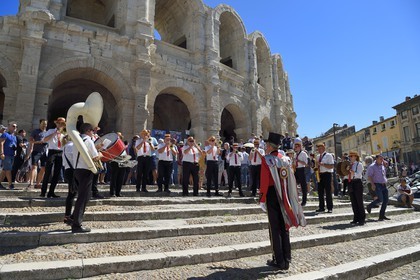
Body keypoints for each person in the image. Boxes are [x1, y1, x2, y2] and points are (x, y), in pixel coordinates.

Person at [259, 132, 292, 270]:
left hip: (272, 194)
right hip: (284, 194)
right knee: (284, 226)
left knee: (274, 227)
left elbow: (265, 181)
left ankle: (279, 260)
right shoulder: (285, 159)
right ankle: (287, 257)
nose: (265, 146)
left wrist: (262, 197)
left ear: (270, 145)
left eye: (266, 144)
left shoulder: (266, 159)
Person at [71, 123, 101, 233]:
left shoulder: (77, 140)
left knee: (86, 196)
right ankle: (77, 225)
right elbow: (95, 157)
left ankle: (73, 217)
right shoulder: (88, 141)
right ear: (88, 131)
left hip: (77, 169)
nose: (93, 132)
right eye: (92, 130)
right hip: (86, 170)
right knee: (83, 198)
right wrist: (101, 154)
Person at [41, 117, 66, 198]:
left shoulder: (65, 133)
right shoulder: (51, 131)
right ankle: (43, 191)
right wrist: (55, 133)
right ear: (56, 124)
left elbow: (67, 143)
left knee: (57, 173)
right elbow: (44, 140)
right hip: (52, 151)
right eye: (59, 123)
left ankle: (51, 192)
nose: (60, 125)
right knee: (48, 172)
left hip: (60, 152)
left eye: (62, 123)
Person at [366, 154, 390, 221]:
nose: (382, 160)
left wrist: (384, 162)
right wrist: (372, 185)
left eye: (382, 159)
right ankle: (369, 206)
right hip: (377, 184)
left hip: (383, 184)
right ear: (376, 159)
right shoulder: (372, 166)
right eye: (380, 159)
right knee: (380, 199)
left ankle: (382, 216)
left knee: (386, 200)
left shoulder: (382, 165)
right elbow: (369, 176)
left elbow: (384, 171)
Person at [27, 119, 48, 189]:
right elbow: (30, 140)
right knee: (34, 167)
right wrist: (38, 142)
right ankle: (31, 183)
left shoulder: (47, 133)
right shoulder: (35, 131)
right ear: (40, 124)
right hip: (36, 151)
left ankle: (38, 183)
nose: (44, 125)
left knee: (43, 168)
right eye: (43, 123)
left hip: (45, 152)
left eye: (45, 124)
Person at [315, 143, 335, 213]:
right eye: (318, 149)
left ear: (324, 148)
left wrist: (323, 164)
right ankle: (321, 207)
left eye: (320, 148)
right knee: (320, 192)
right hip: (320, 174)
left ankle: (330, 207)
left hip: (327, 174)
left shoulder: (329, 155)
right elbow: (316, 166)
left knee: (328, 191)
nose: (319, 150)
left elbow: (332, 166)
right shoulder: (317, 156)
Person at [348, 151, 365, 225]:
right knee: (353, 201)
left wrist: (352, 172)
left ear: (355, 156)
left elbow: (359, 174)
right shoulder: (350, 165)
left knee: (359, 201)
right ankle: (356, 218)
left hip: (357, 182)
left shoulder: (359, 164)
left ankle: (362, 218)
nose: (350, 157)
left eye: (352, 156)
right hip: (351, 182)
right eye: (350, 156)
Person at [0, 122, 18, 190]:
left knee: (5, 170)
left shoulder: (14, 136)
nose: (15, 128)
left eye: (16, 126)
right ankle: (10, 184)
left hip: (12, 155)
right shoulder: (5, 134)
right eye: (13, 126)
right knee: (8, 170)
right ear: (9, 127)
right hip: (6, 155)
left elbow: (14, 145)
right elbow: (1, 143)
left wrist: (15, 151)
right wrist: (1, 153)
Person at [109, 132, 127, 197]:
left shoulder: (122, 143)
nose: (118, 137)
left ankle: (118, 192)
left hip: (123, 160)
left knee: (121, 177)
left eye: (119, 136)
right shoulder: (112, 143)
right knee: (114, 177)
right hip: (115, 160)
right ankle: (112, 192)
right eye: (117, 136)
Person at [62, 136, 75, 225]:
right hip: (73, 171)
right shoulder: (71, 146)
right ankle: (69, 216)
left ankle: (68, 215)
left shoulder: (65, 146)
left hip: (68, 170)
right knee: (72, 194)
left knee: (72, 194)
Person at [293, 138, 309, 206]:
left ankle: (304, 201)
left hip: (302, 169)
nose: (295, 148)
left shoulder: (303, 154)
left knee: (303, 186)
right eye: (295, 147)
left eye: (296, 147)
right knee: (294, 184)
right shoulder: (295, 154)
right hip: (296, 170)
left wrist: (298, 161)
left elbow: (306, 164)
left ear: (299, 147)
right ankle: (295, 199)